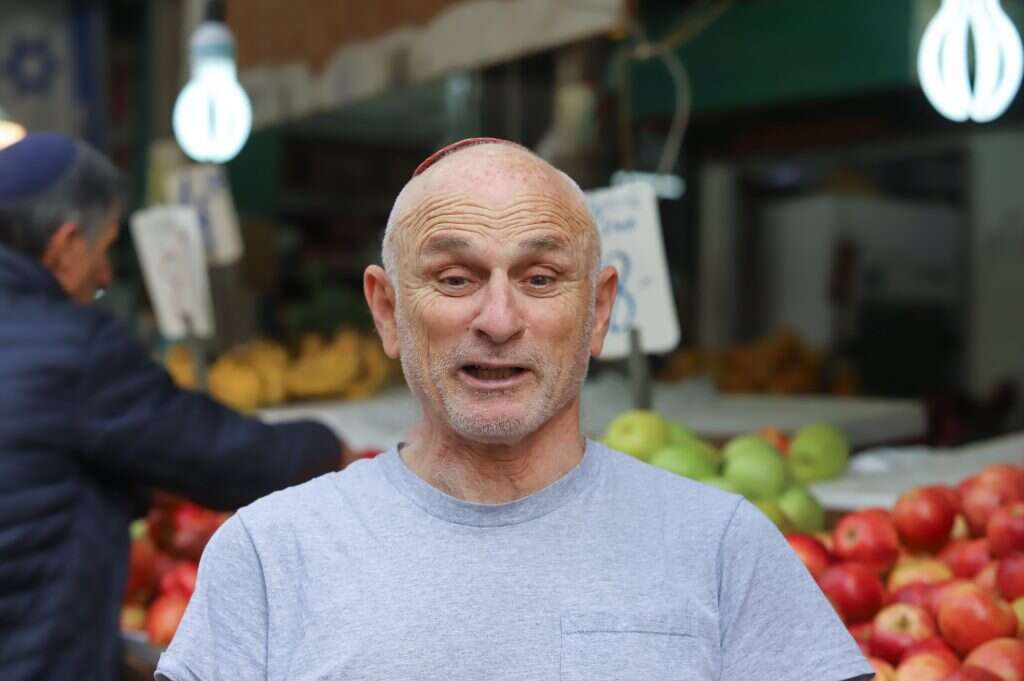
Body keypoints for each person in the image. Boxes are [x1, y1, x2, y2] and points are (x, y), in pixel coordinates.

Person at [156, 138, 873, 681]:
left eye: (539, 277)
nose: (498, 318)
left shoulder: (722, 548)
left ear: (597, 311)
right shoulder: (269, 556)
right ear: (387, 309)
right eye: (456, 275)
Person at [0, 133, 351, 681]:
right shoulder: (75, 350)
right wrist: (330, 449)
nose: (106, 276)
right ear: (66, 244)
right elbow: (223, 457)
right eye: (105, 247)